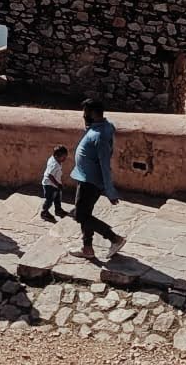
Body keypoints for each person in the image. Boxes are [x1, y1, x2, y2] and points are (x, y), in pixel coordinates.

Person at [73, 99, 127, 262]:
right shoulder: (104, 126)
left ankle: (114, 238)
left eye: (86, 113)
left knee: (80, 215)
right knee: (85, 214)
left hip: (90, 182)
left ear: (93, 113)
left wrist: (109, 191)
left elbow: (105, 165)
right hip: (84, 177)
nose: (83, 116)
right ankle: (87, 248)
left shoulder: (100, 136)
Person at [40, 144, 70, 220]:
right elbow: (50, 175)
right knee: (49, 199)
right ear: (57, 156)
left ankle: (58, 210)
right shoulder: (54, 164)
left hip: (55, 184)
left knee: (57, 197)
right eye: (63, 157)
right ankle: (44, 212)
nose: (65, 159)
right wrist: (58, 184)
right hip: (49, 185)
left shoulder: (55, 159)